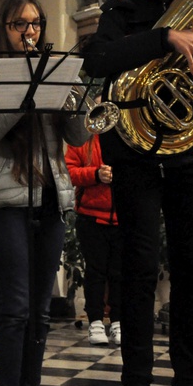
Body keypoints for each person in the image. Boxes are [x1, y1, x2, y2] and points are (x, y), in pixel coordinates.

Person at [82, 0, 193, 386]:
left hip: (191, 152)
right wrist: (165, 38)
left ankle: (190, 378)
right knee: (140, 270)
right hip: (135, 157)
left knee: (191, 272)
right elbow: (97, 60)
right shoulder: (117, 14)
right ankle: (137, 379)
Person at [0, 0, 89, 386]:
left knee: (39, 311)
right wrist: (28, 93)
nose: (30, 31)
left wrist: (74, 100)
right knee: (16, 307)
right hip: (5, 199)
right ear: (5, 28)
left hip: (50, 196)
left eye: (35, 23)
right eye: (20, 24)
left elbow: (78, 135)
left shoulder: (54, 68)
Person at [65, 113, 121, 346]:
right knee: (95, 272)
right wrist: (96, 174)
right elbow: (68, 171)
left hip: (122, 217)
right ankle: (96, 321)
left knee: (119, 273)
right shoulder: (83, 139)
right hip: (91, 216)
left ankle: (118, 321)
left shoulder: (126, 138)